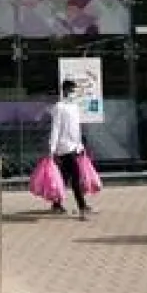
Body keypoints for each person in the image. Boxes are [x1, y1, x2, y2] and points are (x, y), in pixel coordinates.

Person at [49, 79, 93, 220]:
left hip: (74, 147)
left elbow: (76, 128)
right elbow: (55, 128)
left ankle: (56, 203)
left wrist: (80, 146)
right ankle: (82, 207)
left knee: (64, 177)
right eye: (72, 90)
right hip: (64, 147)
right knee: (76, 176)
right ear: (65, 91)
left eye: (74, 91)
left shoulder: (74, 107)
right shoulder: (59, 107)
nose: (73, 93)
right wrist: (52, 148)